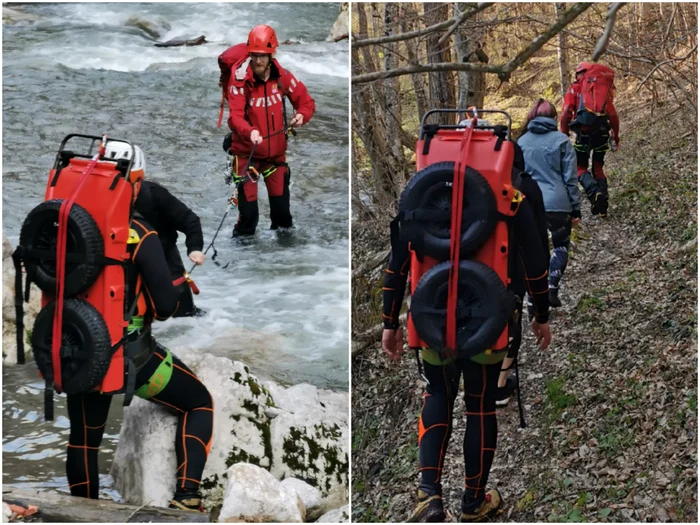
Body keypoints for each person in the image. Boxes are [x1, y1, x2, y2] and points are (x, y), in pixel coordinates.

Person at [381, 141, 552, 522]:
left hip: (432, 316)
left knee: (437, 392)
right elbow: (535, 263)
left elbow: (398, 263)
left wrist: (389, 321)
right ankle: (474, 500)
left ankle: (429, 496)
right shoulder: (513, 200)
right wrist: (541, 313)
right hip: (487, 319)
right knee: (479, 406)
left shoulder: (421, 196)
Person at [64, 144, 214, 511]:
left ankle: (84, 513)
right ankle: (186, 496)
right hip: (132, 359)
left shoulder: (65, 225)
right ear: (133, 180)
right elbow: (165, 306)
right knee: (199, 402)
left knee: (83, 440)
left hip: (77, 351)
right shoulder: (139, 234)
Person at [223, 24, 315, 236]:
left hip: (276, 158)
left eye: (263, 55)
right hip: (247, 158)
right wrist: (250, 131)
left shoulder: (283, 77)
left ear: (272, 53)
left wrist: (302, 116)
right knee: (249, 219)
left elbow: (306, 102)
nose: (258, 61)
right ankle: (242, 261)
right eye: (254, 55)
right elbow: (234, 118)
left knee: (283, 218)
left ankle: (284, 262)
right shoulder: (239, 81)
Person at [518, 99, 581, 309]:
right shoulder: (562, 141)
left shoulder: (521, 142)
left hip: (527, 204)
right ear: (554, 117)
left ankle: (531, 297)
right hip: (558, 204)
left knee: (530, 251)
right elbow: (570, 178)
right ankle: (552, 287)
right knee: (561, 246)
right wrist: (575, 208)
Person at [135, 180, 206, 317]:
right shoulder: (95, 194)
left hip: (163, 255)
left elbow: (189, 219)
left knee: (184, 315)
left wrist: (195, 248)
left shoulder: (153, 193)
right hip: (121, 261)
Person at [560, 62, 619, 217]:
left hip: (583, 134)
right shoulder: (602, 89)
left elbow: (566, 112)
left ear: (578, 74)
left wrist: (564, 133)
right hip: (602, 133)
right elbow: (612, 115)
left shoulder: (574, 89)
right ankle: (603, 206)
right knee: (598, 167)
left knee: (579, 168)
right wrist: (616, 135)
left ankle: (594, 193)